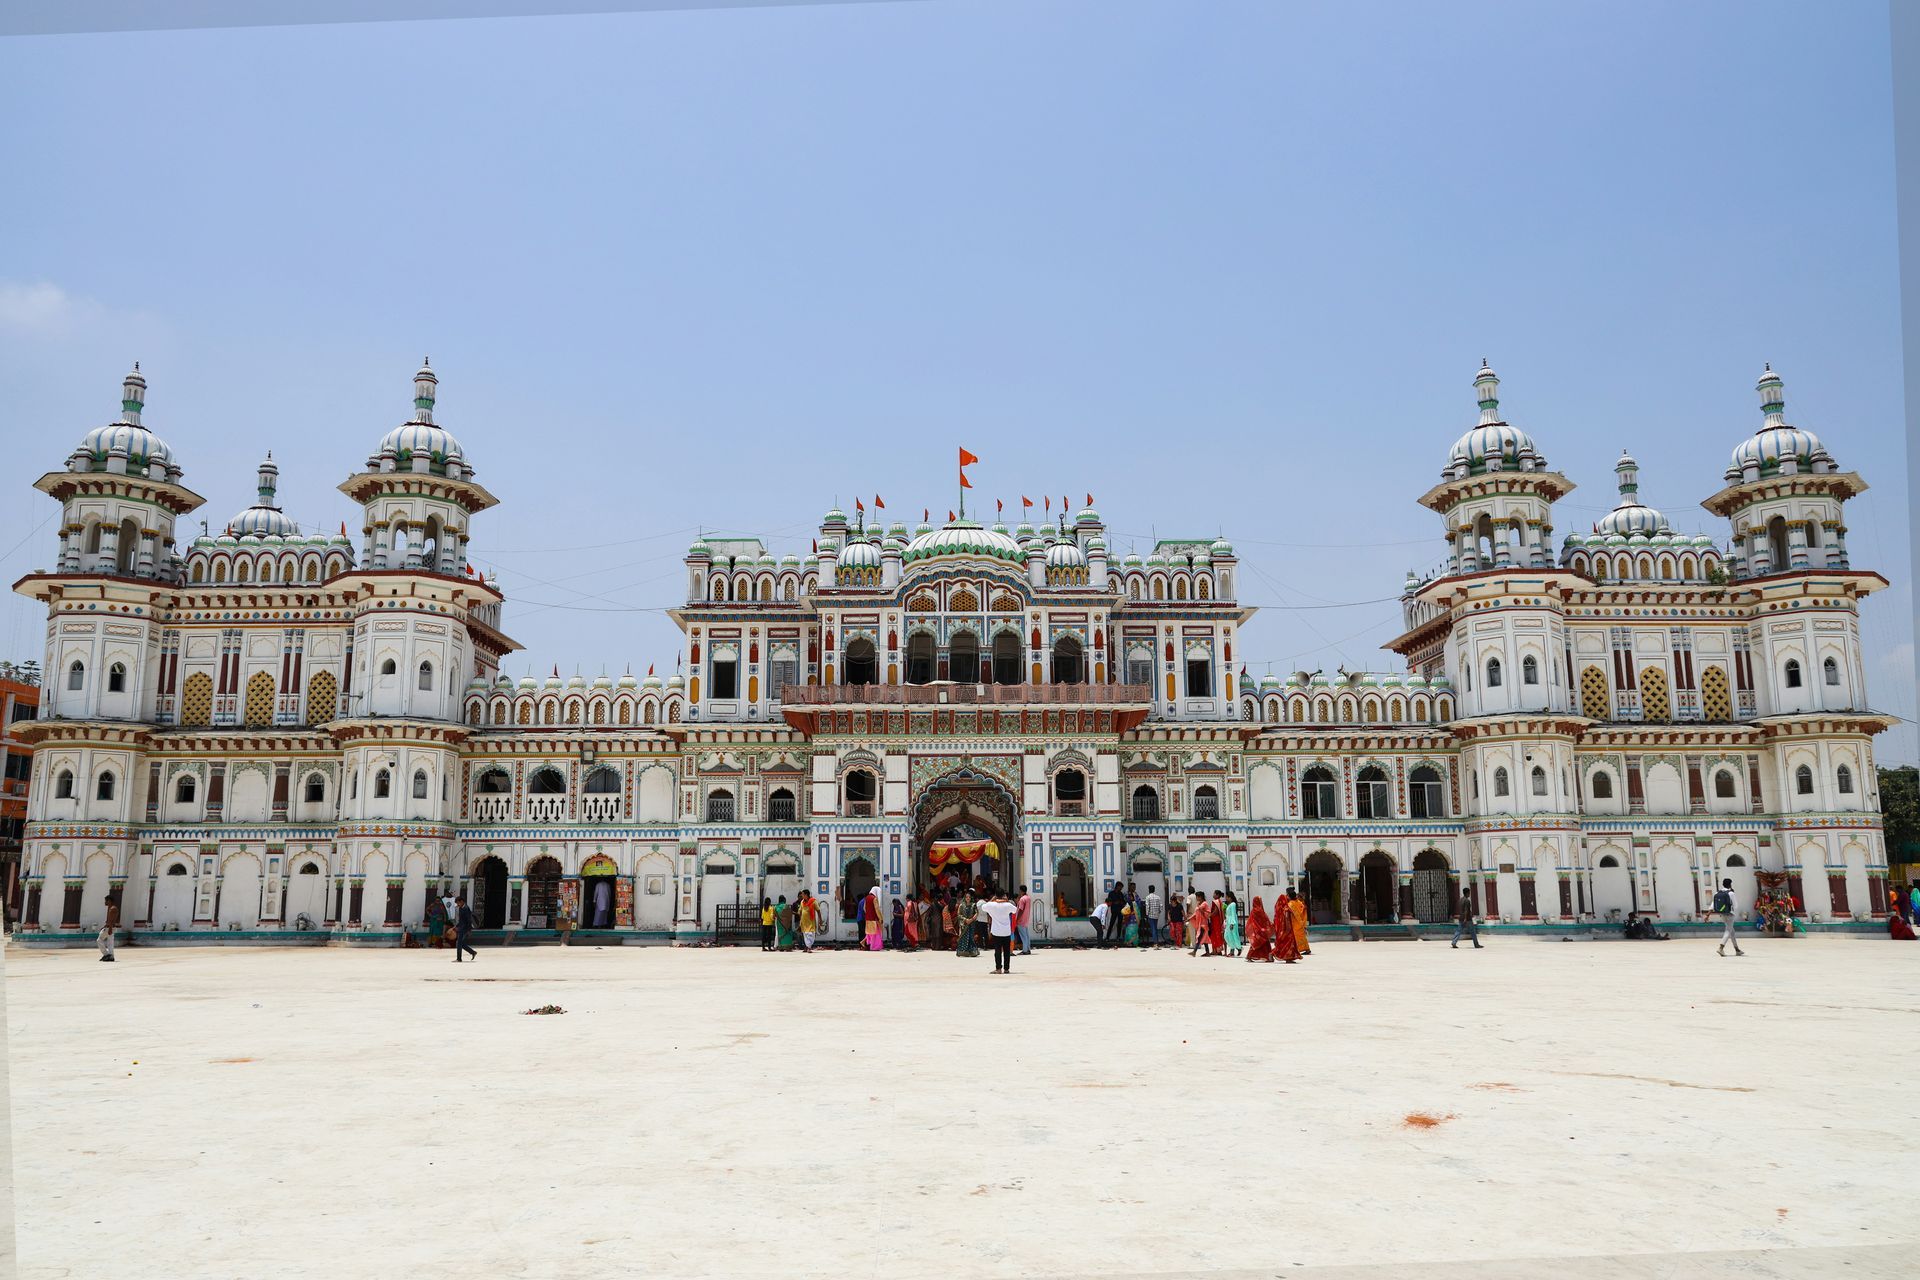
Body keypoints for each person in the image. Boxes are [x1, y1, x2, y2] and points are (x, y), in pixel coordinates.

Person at [978, 887, 1019, 973]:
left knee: (997, 951)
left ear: (995, 895)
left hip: (996, 932)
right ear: (1004, 895)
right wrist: (1007, 901)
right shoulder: (1007, 905)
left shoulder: (991, 905)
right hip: (1006, 932)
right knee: (1007, 951)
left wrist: (992, 899)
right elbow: (1015, 910)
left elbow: (983, 907)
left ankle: (998, 968)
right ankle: (1006, 969)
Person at [1711, 878, 1745, 957]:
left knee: (1732, 931)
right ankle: (1721, 948)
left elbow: (1713, 905)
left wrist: (1708, 914)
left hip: (1722, 914)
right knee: (1728, 931)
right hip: (1730, 914)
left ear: (1723, 884)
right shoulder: (1731, 893)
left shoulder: (1717, 893)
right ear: (1730, 884)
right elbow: (1736, 906)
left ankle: (1737, 950)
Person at [1272, 892, 1301, 963]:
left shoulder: (1280, 910)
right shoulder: (1286, 909)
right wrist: (1288, 928)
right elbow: (1287, 918)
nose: (1287, 898)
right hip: (1287, 929)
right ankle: (1287, 957)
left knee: (1283, 944)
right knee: (1288, 943)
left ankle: (1275, 954)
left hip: (1282, 930)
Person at [1245, 897, 1273, 963]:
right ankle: (1267, 957)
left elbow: (1250, 921)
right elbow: (1265, 919)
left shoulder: (1253, 911)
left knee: (1256, 943)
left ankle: (1249, 956)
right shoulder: (1260, 910)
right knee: (1265, 944)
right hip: (1262, 930)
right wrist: (1270, 925)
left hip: (1256, 930)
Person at [956, 891, 982, 958]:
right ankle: (963, 951)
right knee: (964, 937)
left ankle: (972, 951)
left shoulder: (973, 905)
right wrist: (965, 919)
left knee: (971, 937)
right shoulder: (961, 905)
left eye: (969, 897)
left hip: (971, 923)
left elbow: (976, 913)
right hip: (964, 924)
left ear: (971, 898)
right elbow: (959, 914)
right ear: (965, 898)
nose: (968, 898)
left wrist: (971, 919)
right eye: (966, 897)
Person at [454, 895, 478, 962]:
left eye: (458, 903)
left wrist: (469, 930)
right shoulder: (461, 908)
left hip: (465, 929)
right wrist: (457, 926)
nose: (457, 904)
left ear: (461, 901)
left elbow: (469, 920)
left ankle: (459, 958)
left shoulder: (466, 908)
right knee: (461, 943)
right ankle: (472, 952)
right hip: (461, 927)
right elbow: (461, 919)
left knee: (459, 943)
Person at [1288, 889, 1310, 958]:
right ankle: (1307, 949)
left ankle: (1298, 949)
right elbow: (1303, 910)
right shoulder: (1299, 902)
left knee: (1296, 936)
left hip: (1295, 922)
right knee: (1302, 936)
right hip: (1301, 921)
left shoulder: (1290, 904)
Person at [864, 887, 885, 952]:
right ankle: (875, 947)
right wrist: (880, 918)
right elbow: (877, 910)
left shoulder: (866, 898)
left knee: (870, 933)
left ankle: (869, 945)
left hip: (868, 919)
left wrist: (868, 914)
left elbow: (864, 908)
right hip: (874, 920)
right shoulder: (874, 899)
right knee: (876, 934)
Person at [1015, 884, 1033, 955]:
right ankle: (1028, 948)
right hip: (1026, 919)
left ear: (1021, 891)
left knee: (1023, 935)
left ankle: (1025, 950)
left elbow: (1021, 910)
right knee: (1026, 935)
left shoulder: (1022, 899)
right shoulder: (1028, 898)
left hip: (1021, 919)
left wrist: (1017, 919)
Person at [1207, 891, 1227, 957]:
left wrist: (1209, 915)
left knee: (1215, 935)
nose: (1213, 895)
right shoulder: (1220, 901)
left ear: (1217, 895)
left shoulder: (1215, 901)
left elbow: (1215, 912)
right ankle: (1218, 950)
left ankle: (1216, 951)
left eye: (1214, 893)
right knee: (1217, 935)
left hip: (1215, 921)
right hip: (1218, 921)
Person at [1223, 891, 1243, 957]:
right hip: (1228, 922)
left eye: (1227, 897)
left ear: (1230, 897)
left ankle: (1234, 950)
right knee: (1227, 936)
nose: (1226, 898)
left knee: (1233, 936)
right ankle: (1238, 948)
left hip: (1232, 922)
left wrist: (1232, 923)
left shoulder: (1233, 904)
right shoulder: (1230, 904)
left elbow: (1233, 914)